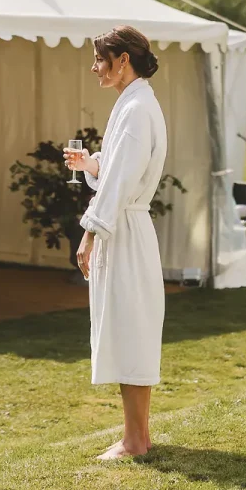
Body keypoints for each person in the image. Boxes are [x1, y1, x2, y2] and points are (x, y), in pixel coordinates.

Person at [64, 25, 168, 460]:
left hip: (123, 231)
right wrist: (93, 163)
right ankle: (136, 437)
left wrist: (89, 233)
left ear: (122, 59)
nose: (94, 68)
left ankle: (134, 441)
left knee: (131, 330)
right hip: (124, 228)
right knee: (129, 329)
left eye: (99, 59)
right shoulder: (135, 104)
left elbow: (123, 181)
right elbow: (119, 168)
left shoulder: (137, 108)